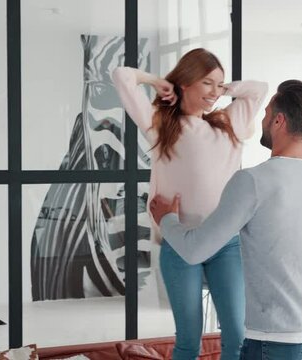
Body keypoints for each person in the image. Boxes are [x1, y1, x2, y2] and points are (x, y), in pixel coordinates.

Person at [150, 80, 302, 360]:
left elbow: (195, 250)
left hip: (280, 339)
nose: (261, 119)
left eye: (266, 113)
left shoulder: (252, 181)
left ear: (278, 121)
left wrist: (166, 218)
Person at [112, 49, 268, 360]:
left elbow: (259, 89)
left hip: (225, 243)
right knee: (188, 341)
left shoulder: (227, 122)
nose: (215, 93)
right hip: (180, 242)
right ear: (186, 82)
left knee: (237, 337)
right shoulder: (160, 124)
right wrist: (157, 81)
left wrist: (227, 89)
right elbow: (121, 76)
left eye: (219, 85)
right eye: (207, 83)